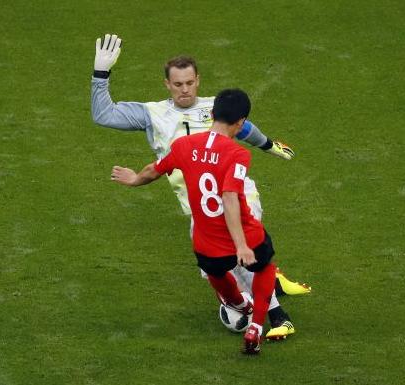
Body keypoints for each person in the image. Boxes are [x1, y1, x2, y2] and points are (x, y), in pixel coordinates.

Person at [91, 33, 310, 339]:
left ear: (198, 80)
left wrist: (269, 145)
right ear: (167, 84)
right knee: (224, 265)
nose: (185, 89)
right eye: (178, 84)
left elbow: (244, 128)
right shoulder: (152, 114)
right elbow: (104, 115)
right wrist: (101, 73)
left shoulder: (215, 107)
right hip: (201, 205)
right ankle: (267, 286)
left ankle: (272, 316)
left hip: (238, 194)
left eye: (190, 82)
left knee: (236, 260)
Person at [112, 89, 283, 354]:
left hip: (207, 242)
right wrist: (240, 245)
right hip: (245, 234)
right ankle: (256, 327)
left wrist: (134, 179)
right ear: (240, 122)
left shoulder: (183, 146)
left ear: (212, 114)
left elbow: (155, 170)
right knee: (264, 267)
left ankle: (238, 304)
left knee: (215, 273)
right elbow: (229, 197)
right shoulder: (238, 155)